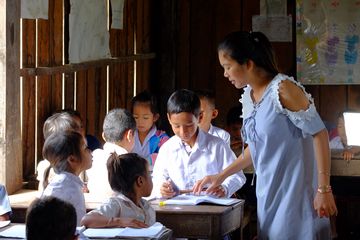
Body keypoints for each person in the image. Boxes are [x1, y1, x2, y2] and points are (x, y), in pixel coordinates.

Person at [193, 31, 337, 239]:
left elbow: (320, 133)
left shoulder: (283, 89)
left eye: (228, 67)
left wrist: (324, 189)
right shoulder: (249, 98)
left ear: (248, 64)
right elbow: (255, 149)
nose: (225, 74)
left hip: (296, 192)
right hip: (269, 190)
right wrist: (221, 175)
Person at [151, 89, 246, 199]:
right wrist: (161, 188)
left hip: (211, 209)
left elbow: (238, 175)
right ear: (169, 118)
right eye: (176, 126)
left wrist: (225, 188)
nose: (183, 132)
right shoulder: (167, 149)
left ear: (199, 117)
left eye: (189, 125)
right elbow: (157, 178)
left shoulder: (217, 145)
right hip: (178, 209)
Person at [81, 153, 155, 228]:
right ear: (140, 181)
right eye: (149, 174)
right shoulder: (117, 204)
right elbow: (86, 220)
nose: (151, 178)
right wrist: (119, 221)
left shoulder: (146, 206)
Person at [41, 130, 92, 225]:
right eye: (85, 148)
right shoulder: (69, 189)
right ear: (72, 159)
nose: (90, 150)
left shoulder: (66, 183)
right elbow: (77, 229)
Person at [37, 111, 92, 192]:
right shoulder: (45, 166)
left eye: (80, 127)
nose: (82, 132)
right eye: (76, 134)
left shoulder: (85, 162)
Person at [86, 108, 136, 200]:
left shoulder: (93, 157)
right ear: (129, 135)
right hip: (123, 213)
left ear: (103, 136)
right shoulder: (132, 162)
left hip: (94, 210)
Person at [131, 91, 169, 168]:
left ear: (155, 117)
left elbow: (168, 156)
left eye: (145, 118)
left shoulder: (162, 139)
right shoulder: (129, 135)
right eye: (136, 117)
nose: (140, 122)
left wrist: (149, 160)